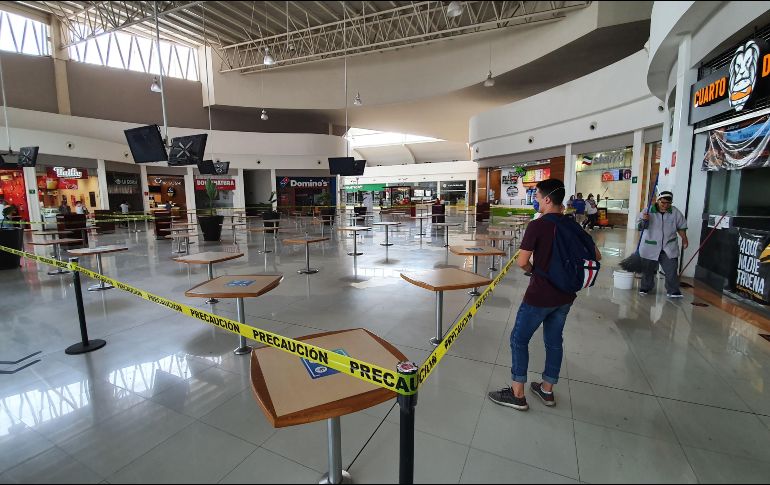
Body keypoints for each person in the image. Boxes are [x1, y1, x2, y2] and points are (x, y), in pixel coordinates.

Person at [488, 178, 601, 411]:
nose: (535, 201)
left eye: (537, 197)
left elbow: (521, 262)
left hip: (540, 295)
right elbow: (596, 255)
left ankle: (517, 394)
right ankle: (547, 390)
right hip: (566, 296)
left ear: (548, 199)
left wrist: (534, 271)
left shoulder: (538, 225)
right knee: (554, 341)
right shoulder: (573, 225)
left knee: (519, 339)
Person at [638, 191, 688, 298]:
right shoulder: (648, 211)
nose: (666, 205)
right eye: (663, 203)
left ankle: (673, 290)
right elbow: (640, 227)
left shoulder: (675, 212)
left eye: (668, 203)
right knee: (648, 270)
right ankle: (646, 287)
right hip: (650, 245)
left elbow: (681, 227)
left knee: (671, 270)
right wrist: (644, 220)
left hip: (668, 246)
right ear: (658, 200)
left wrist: (684, 239)